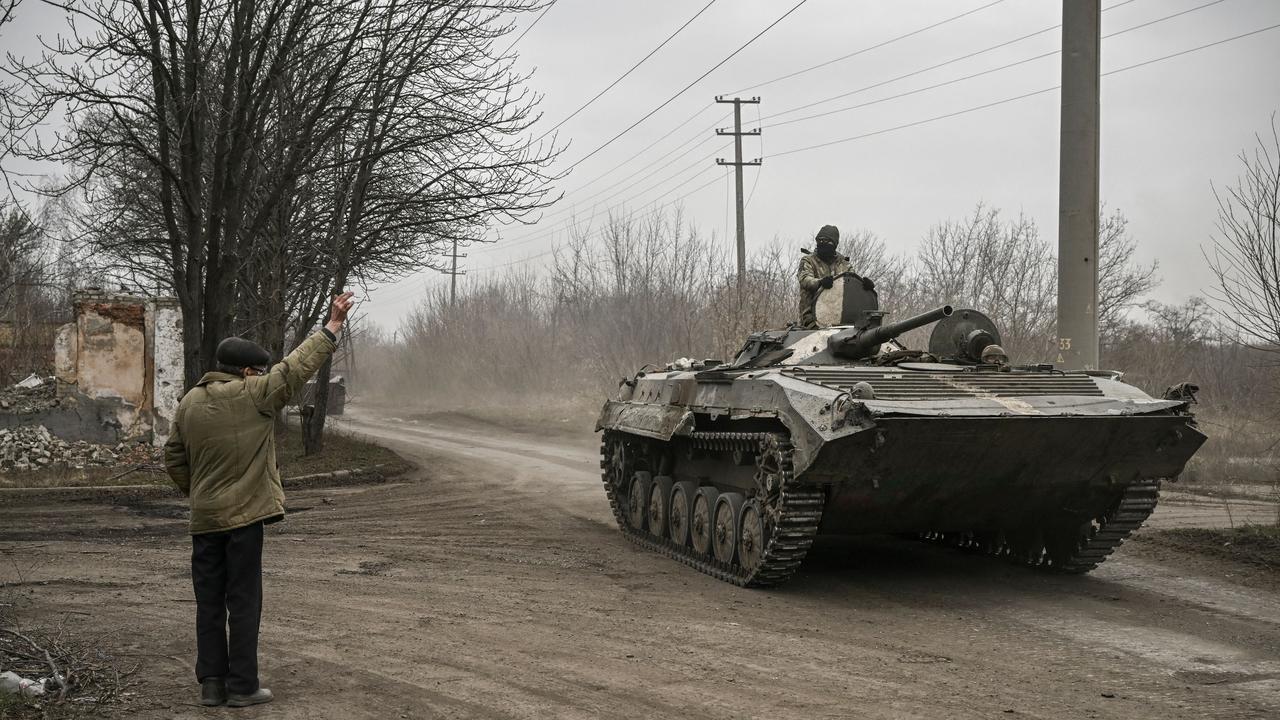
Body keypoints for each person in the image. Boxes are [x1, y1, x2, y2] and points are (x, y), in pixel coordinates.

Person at [164, 291, 355, 708]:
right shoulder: (254, 394)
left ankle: (211, 684)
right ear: (248, 371)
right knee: (244, 601)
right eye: (259, 371)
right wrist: (333, 325)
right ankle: (243, 686)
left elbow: (173, 458)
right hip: (244, 520)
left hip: (205, 521)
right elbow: (296, 368)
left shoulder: (188, 403)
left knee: (209, 602)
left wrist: (197, 492)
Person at [796, 224, 874, 329]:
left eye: (826, 241)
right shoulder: (809, 261)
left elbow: (852, 284)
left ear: (834, 244)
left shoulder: (844, 264)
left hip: (841, 318)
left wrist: (864, 286)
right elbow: (805, 279)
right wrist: (820, 283)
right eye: (819, 240)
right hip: (813, 318)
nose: (822, 243)